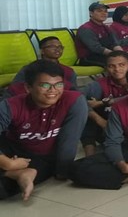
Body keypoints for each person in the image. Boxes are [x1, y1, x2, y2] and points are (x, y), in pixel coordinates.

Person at [0, 60, 87, 200]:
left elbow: (69, 140)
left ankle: (22, 174)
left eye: (59, 84)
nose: (53, 90)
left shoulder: (74, 101)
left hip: (42, 159)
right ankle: (15, 173)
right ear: (28, 87)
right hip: (10, 151)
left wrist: (62, 171)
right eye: (45, 85)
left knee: (3, 188)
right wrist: (7, 163)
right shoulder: (12, 105)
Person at [81, 51, 128, 157]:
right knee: (84, 115)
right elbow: (77, 101)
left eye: (121, 65)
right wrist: (100, 121)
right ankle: (90, 157)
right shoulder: (99, 84)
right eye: (111, 66)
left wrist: (103, 102)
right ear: (106, 69)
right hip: (105, 125)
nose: (117, 69)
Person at [5, 36, 78, 98]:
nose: (57, 49)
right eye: (52, 47)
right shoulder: (29, 69)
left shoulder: (69, 71)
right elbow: (15, 88)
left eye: (60, 47)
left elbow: (74, 93)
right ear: (42, 51)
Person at [76, 2, 123, 66]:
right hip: (89, 58)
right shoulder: (86, 29)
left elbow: (114, 43)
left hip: (105, 55)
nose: (103, 13)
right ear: (91, 13)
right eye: (99, 11)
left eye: (105, 11)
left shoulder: (106, 27)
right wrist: (115, 55)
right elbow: (96, 48)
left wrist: (122, 54)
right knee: (118, 62)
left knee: (127, 59)